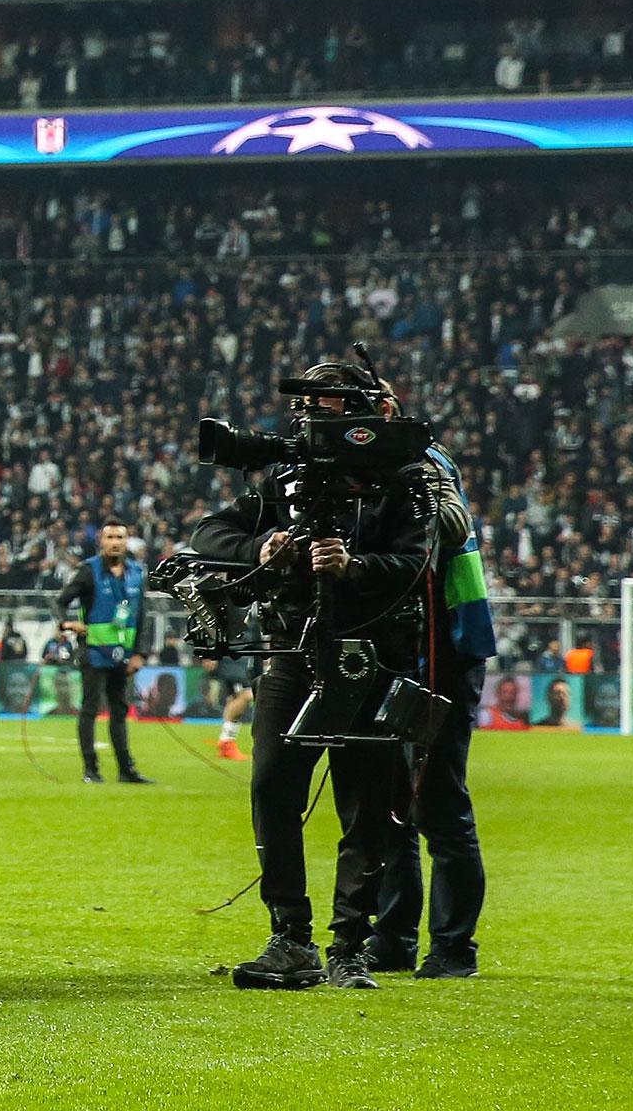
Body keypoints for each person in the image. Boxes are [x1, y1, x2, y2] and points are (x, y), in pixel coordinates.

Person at [192, 362, 435, 991]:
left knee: (368, 805)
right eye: (311, 406)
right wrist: (264, 546)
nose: (314, 417)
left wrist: (355, 566)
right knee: (272, 783)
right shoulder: (285, 480)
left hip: (371, 655)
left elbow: (415, 563)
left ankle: (350, 945)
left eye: (328, 405)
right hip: (291, 651)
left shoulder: (404, 479)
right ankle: (289, 937)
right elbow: (209, 531)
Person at [362, 385, 494, 980]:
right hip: (404, 649)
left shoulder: (428, 462)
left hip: (447, 648)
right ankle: (392, 940)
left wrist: (404, 473)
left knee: (438, 802)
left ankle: (453, 947)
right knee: (391, 805)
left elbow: (454, 521)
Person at [57, 521, 152, 784]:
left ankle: (126, 769)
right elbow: (60, 601)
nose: (115, 542)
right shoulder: (89, 571)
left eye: (120, 537)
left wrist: (141, 653)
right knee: (90, 708)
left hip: (123, 654)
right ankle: (91, 769)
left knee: (120, 711)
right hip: (94, 651)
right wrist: (66, 624)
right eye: (110, 537)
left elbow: (142, 615)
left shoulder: (136, 572)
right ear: (102, 540)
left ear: (127, 540)